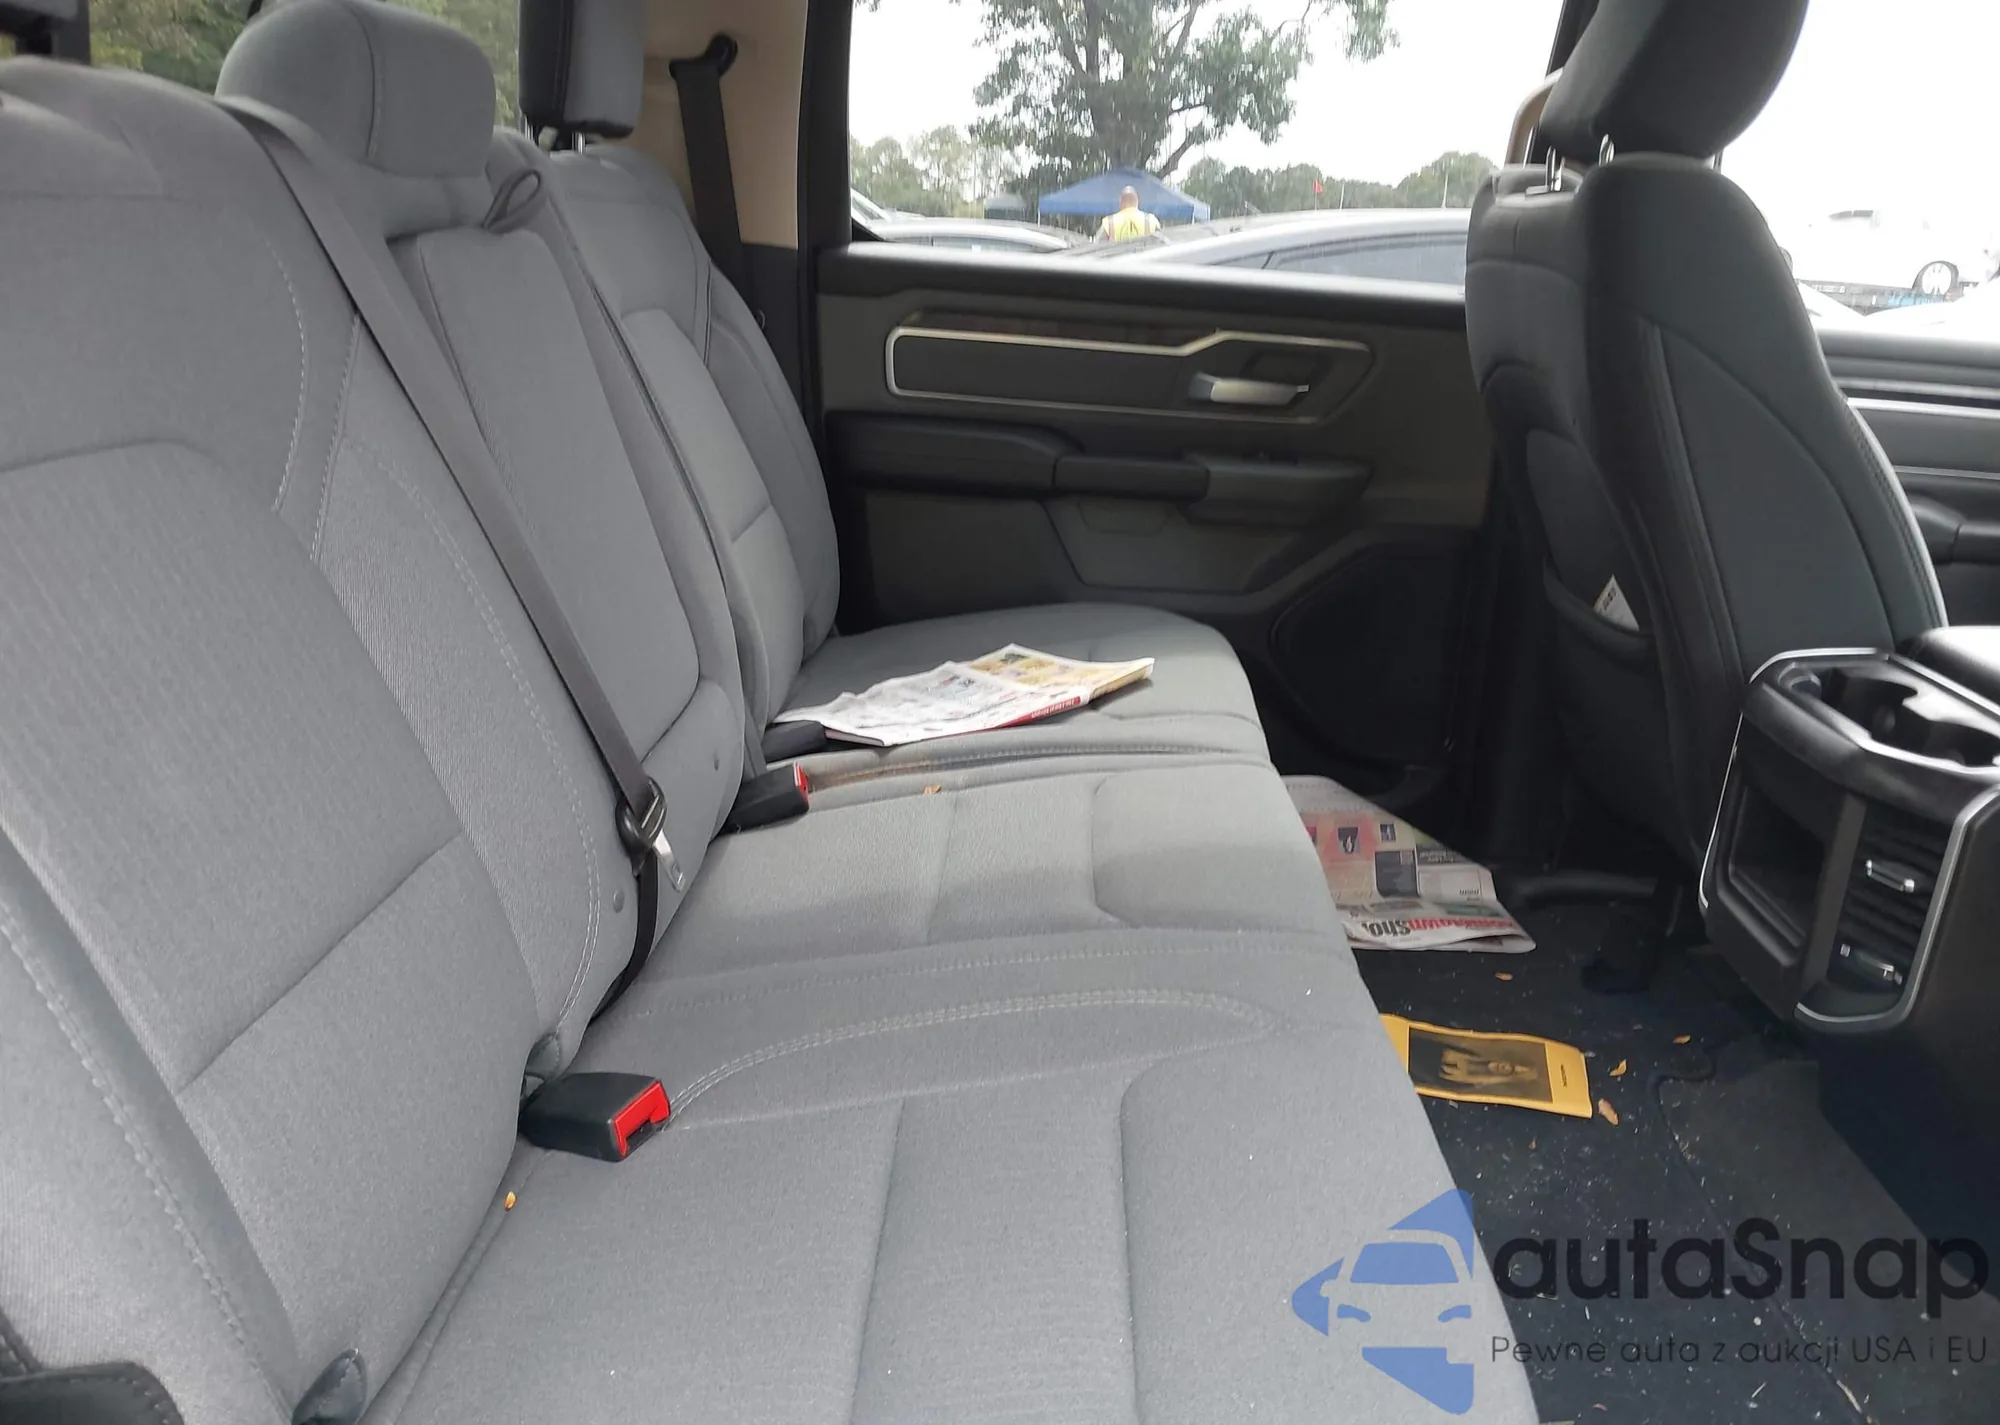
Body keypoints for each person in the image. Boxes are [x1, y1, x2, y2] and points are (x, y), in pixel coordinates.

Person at [1095, 185, 1162, 243]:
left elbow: (1098, 248)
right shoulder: (1151, 221)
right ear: (1137, 201)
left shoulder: (1109, 223)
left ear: (1120, 202)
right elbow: (1161, 246)